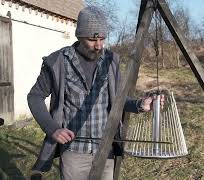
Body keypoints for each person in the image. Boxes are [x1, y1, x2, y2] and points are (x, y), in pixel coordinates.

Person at [28, 6, 162, 180]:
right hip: (74, 153)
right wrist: (53, 129)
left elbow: (119, 99)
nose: (99, 45)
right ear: (79, 36)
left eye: (103, 39)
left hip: (105, 150)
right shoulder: (58, 62)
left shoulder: (111, 61)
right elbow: (35, 97)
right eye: (92, 39)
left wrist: (139, 105)